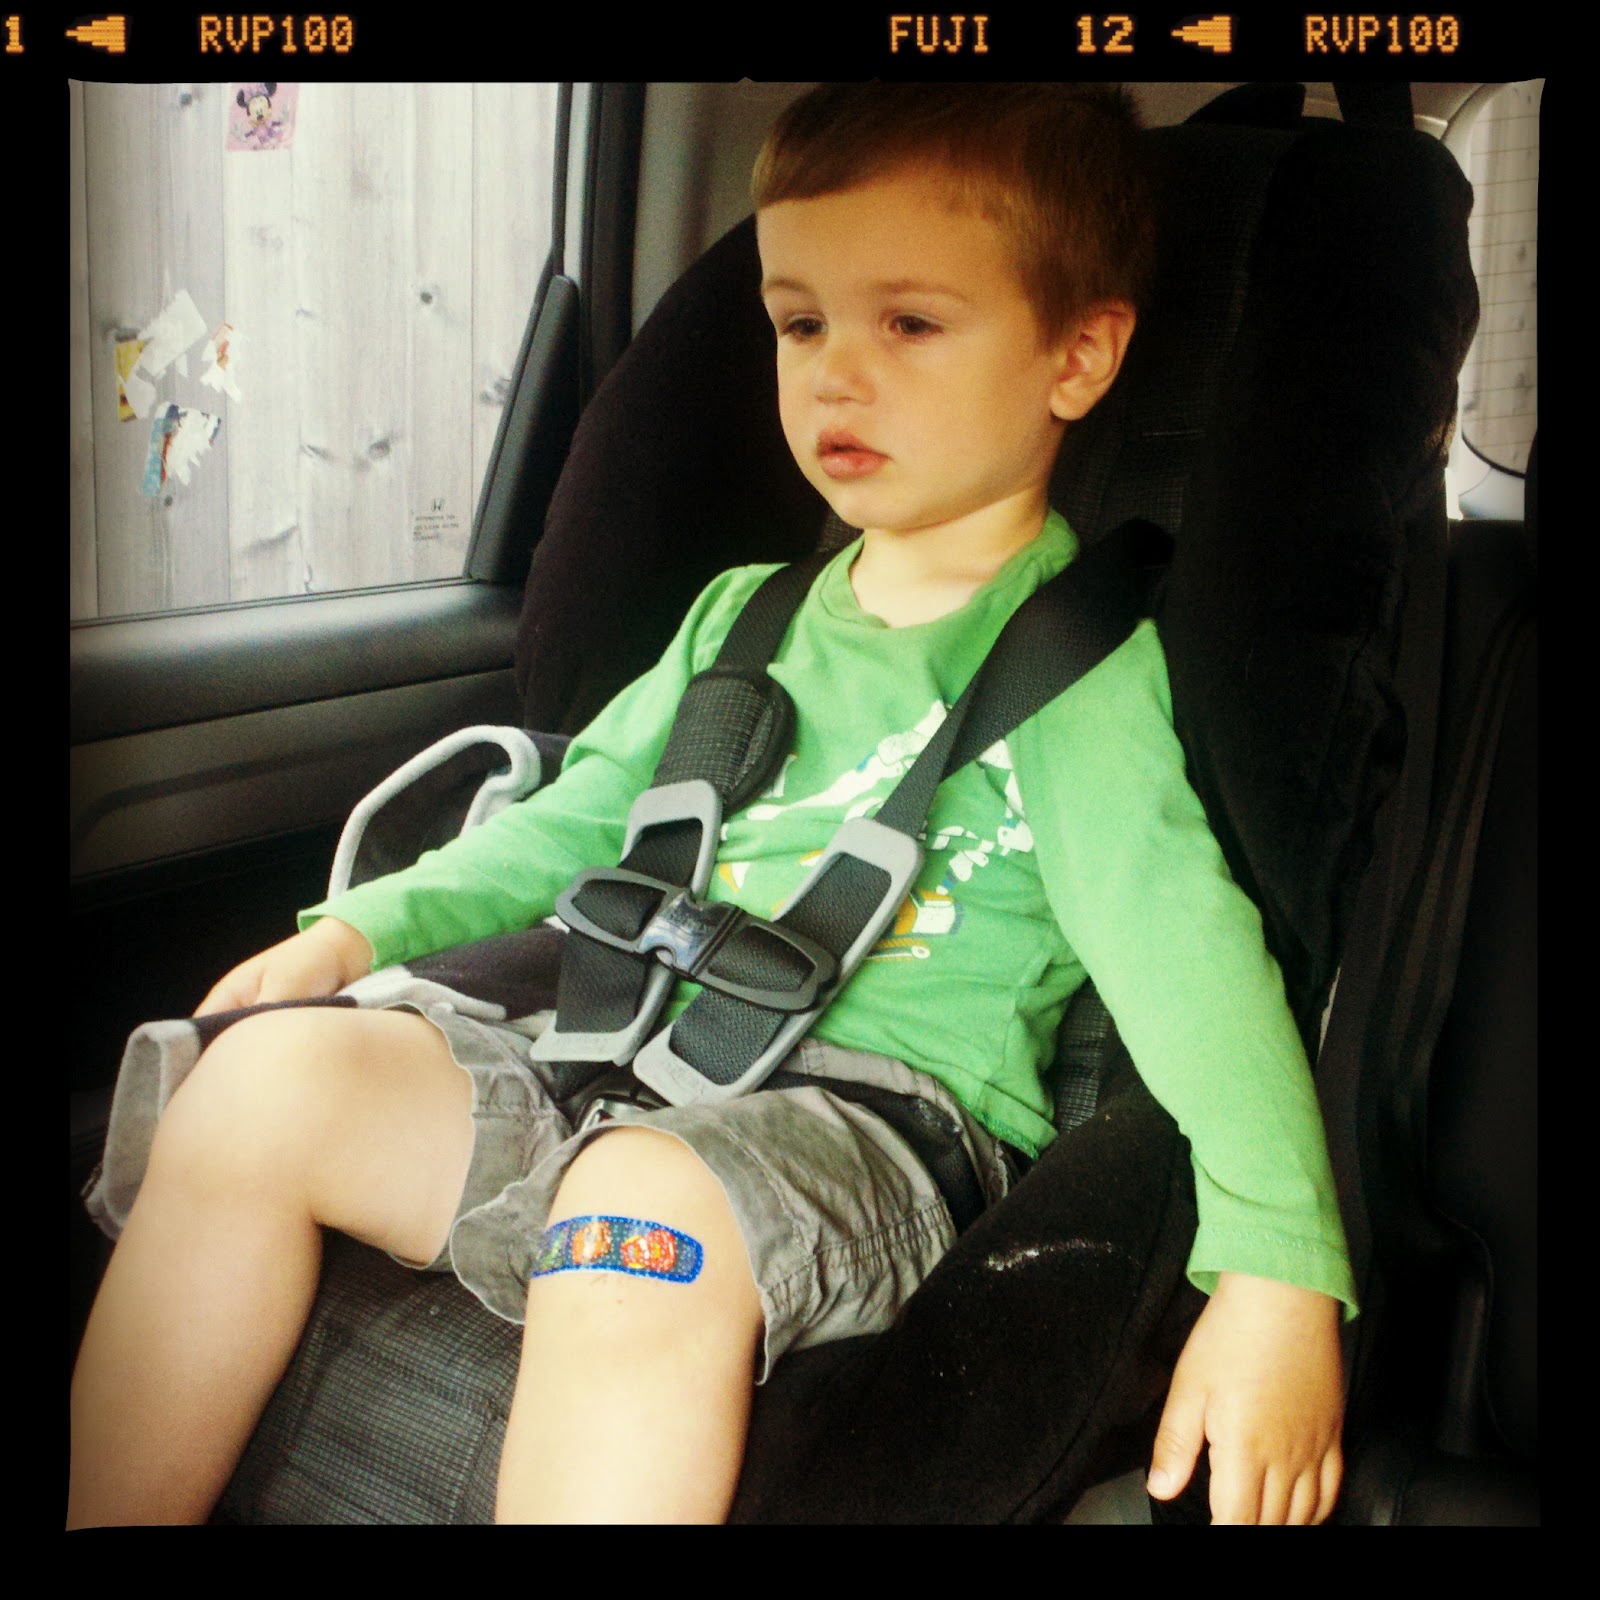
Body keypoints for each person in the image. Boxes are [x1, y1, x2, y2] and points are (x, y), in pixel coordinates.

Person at [70, 82, 1355, 1527]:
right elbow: (575, 820)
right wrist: (357, 934)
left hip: (873, 1134)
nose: (835, 377)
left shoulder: (1073, 672)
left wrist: (1277, 1272)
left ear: (1079, 356)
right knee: (261, 1084)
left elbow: (1184, 956)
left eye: (909, 323)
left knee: (640, 1219)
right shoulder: (746, 617)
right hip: (621, 1066)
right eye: (801, 324)